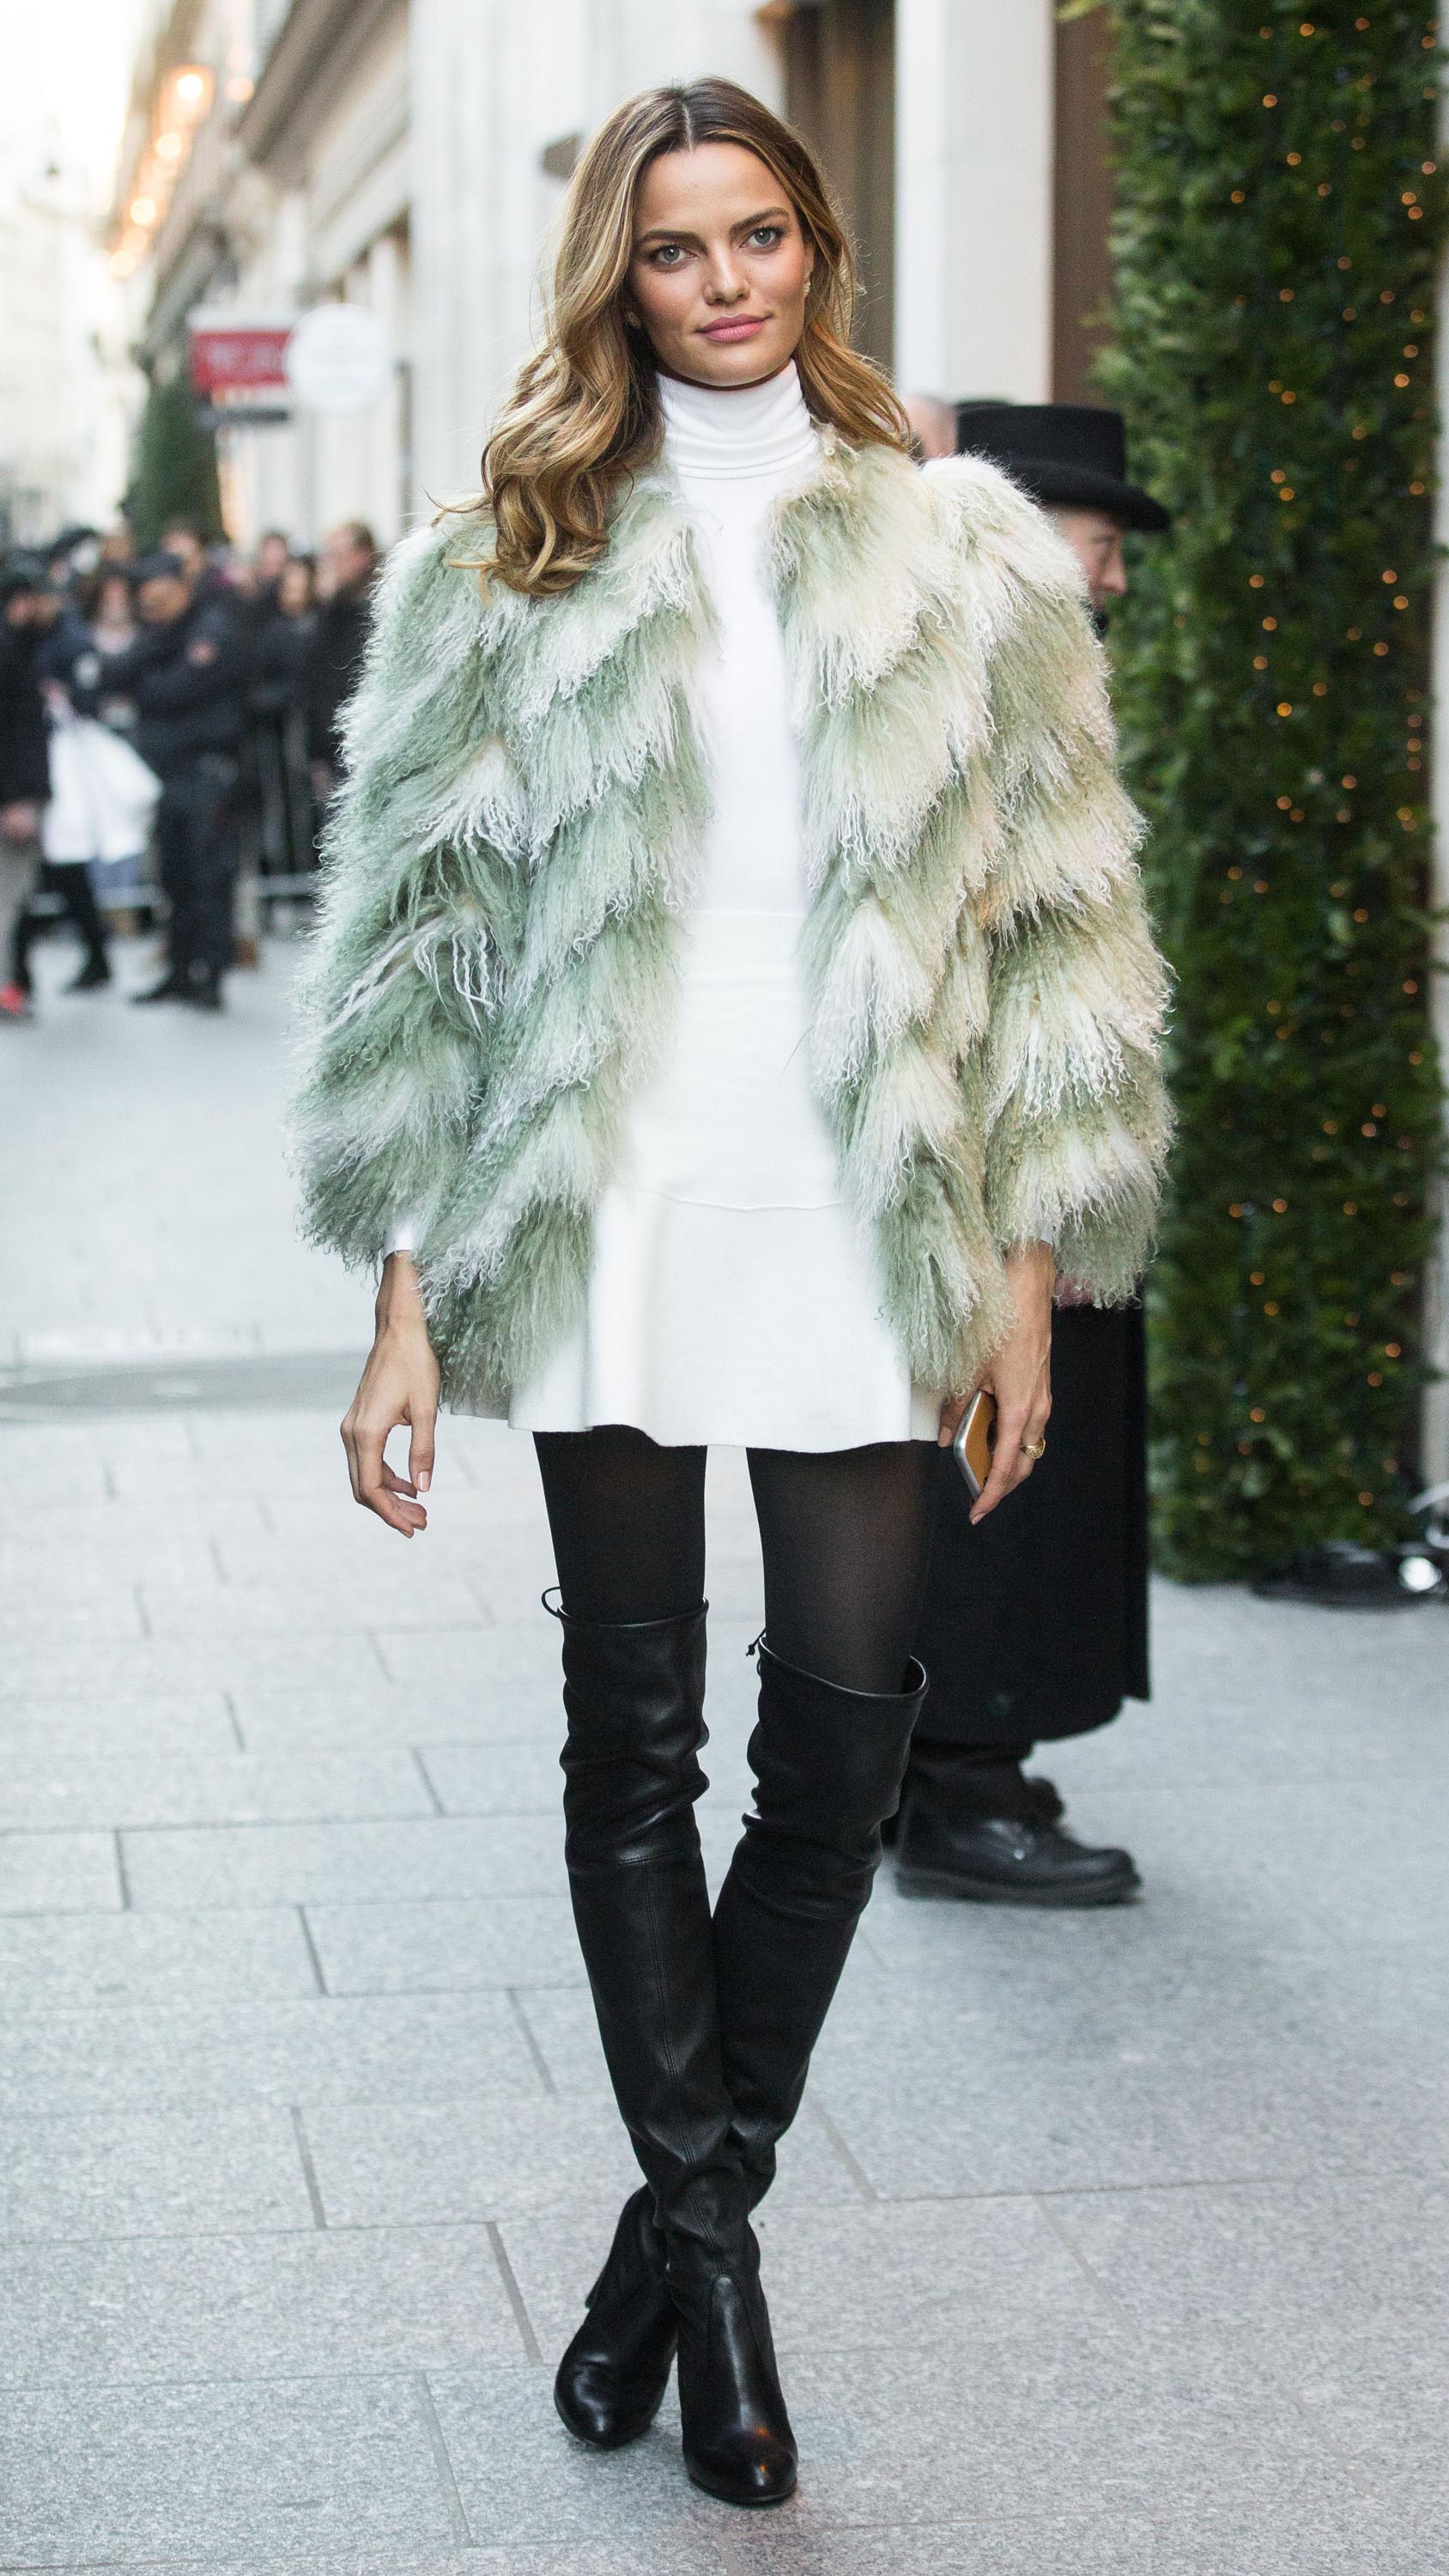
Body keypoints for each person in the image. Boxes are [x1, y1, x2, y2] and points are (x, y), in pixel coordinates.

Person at [294, 82, 1170, 2508]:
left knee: (850, 1737)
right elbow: (420, 955)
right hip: (601, 1201)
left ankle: (659, 2251)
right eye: (675, 249)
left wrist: (1024, 1274)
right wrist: (398, 1293)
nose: (725, 282)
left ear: (820, 247)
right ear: (617, 276)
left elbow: (1057, 938)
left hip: (856, 1196)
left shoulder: (960, 550)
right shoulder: (509, 564)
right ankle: (730, 2279)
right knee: (633, 1741)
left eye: (760, 232)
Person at [895, 400, 1173, 1907]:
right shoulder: (981, 685)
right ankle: (960, 1785)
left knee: (998, 1471)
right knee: (1001, 1476)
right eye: (1097, 538)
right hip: (1004, 1172)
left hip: (1028, 1162)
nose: (1113, 570)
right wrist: (1035, 1211)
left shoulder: (1008, 675)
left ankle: (927, 1765)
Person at [106, 549, 247, 1011]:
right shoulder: (158, 635)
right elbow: (119, 675)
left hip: (207, 770)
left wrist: (150, 680)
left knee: (209, 874)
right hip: (165, 775)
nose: (154, 609)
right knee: (175, 875)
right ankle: (180, 969)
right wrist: (152, 655)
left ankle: (210, 972)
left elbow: (178, 688)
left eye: (160, 598)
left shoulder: (212, 627)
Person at [0, 558, 53, 1022]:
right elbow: (13, 731)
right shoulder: (9, 650)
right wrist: (16, 797)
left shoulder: (21, 646)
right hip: (13, 797)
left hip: (18, 793)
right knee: (8, 895)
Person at [251, 555, 317, 889]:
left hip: (315, 733)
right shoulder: (272, 632)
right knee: (287, 810)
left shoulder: (322, 624)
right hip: (282, 737)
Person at [303, 521, 376, 796]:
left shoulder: (371, 607)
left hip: (361, 744)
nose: (330, 564)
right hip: (334, 743)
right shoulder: (334, 606)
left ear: (360, 557)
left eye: (337, 555)